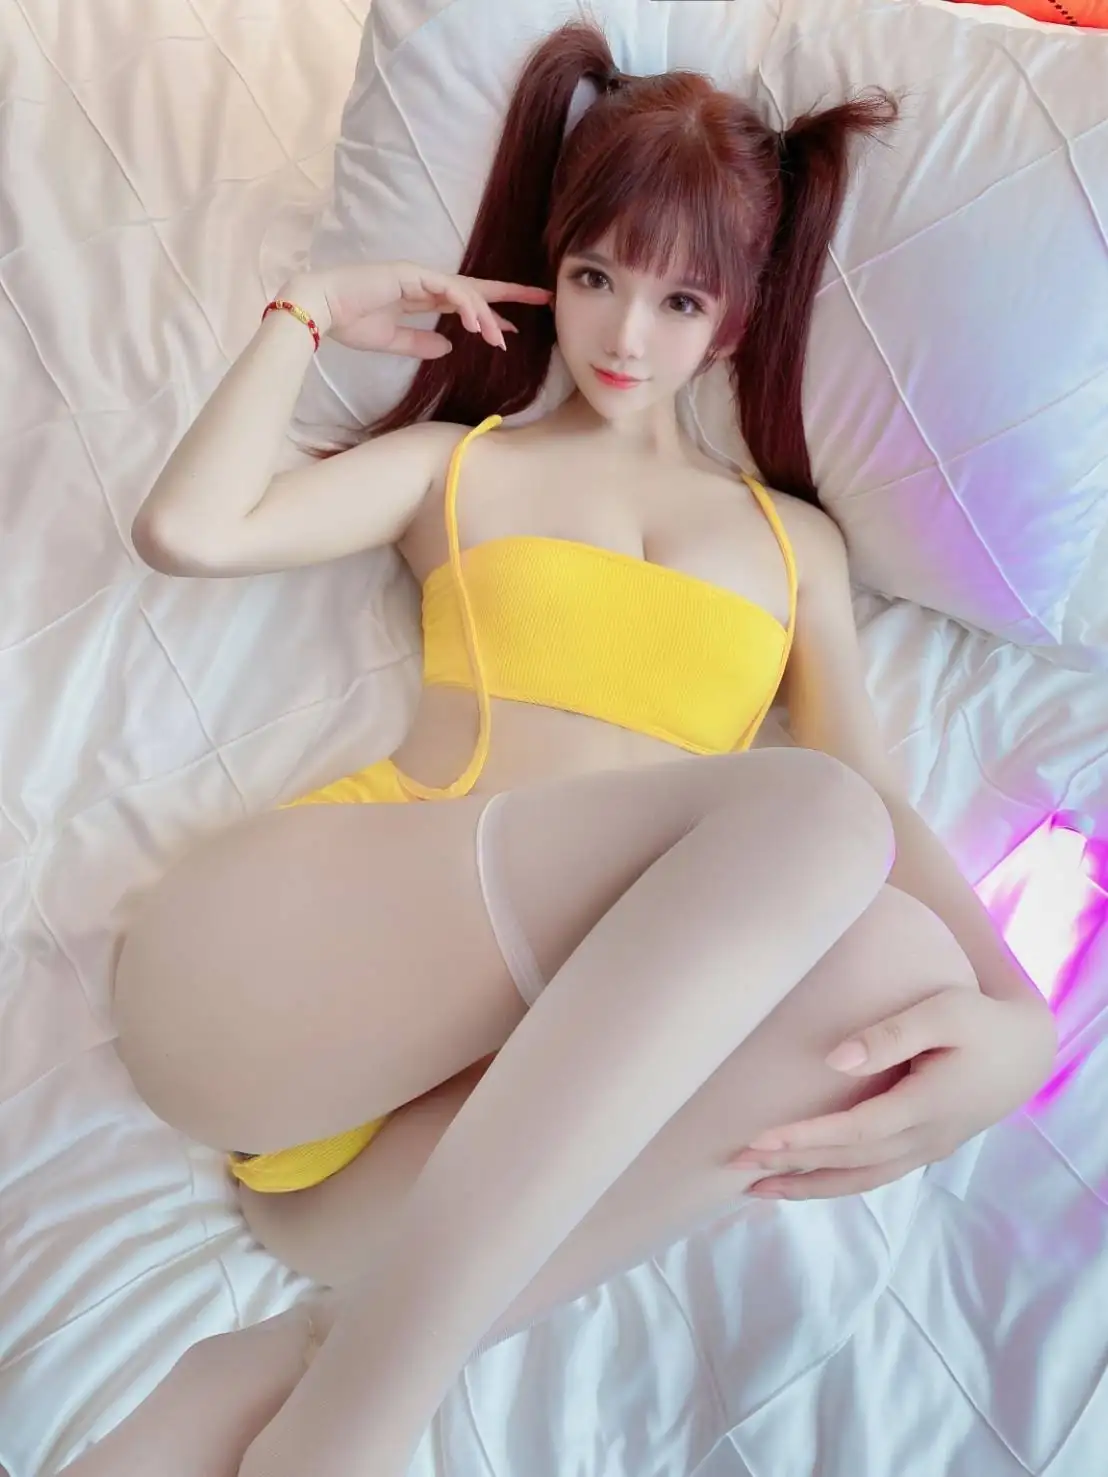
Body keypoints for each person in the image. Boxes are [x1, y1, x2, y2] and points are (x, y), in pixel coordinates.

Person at [79, 20, 1055, 1477]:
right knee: (809, 816)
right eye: (596, 277)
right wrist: (306, 312)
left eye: (679, 298)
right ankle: (359, 1427)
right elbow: (188, 530)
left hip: (423, 1166)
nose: (624, 337)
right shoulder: (460, 466)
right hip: (284, 970)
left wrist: (1017, 1024)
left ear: (735, 321)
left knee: (890, 965)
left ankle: (320, 1367)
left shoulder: (795, 544)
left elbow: (879, 799)